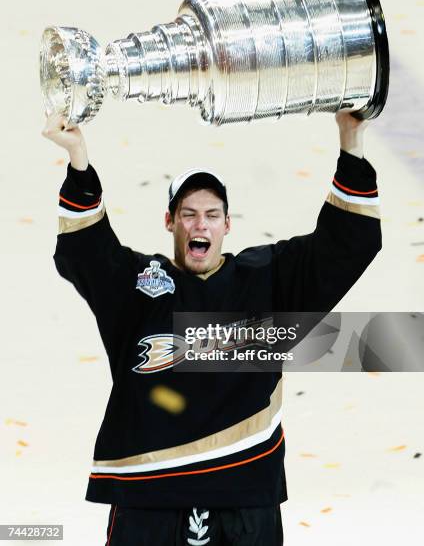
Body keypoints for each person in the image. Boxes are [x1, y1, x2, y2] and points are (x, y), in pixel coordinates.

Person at [42, 111, 381, 546]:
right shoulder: (137, 286)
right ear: (170, 222)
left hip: (245, 498)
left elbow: (344, 247)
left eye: (211, 214)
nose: (200, 224)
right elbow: (86, 253)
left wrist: (350, 141)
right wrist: (78, 160)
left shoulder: (266, 280)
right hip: (150, 497)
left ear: (226, 225)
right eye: (188, 214)